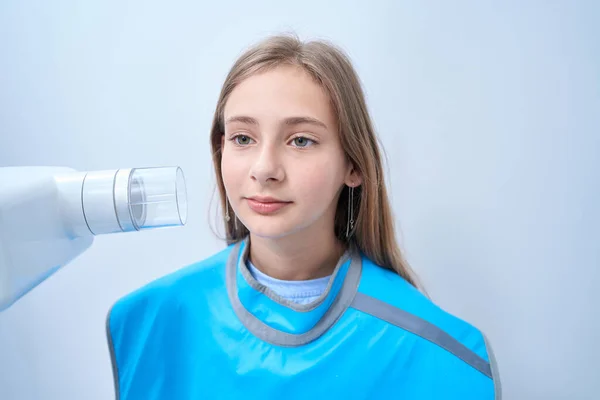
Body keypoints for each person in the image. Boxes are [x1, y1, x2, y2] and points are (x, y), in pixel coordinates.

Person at [106, 34, 501, 399]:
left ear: (354, 165)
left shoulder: (441, 355)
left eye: (300, 140)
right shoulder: (150, 322)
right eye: (243, 138)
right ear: (220, 149)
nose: (265, 169)